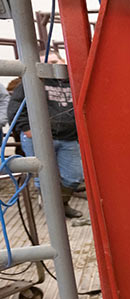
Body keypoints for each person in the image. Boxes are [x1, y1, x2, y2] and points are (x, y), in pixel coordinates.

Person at [7, 50, 84, 218]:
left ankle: (61, 203)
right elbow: (14, 108)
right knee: (44, 175)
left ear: (63, 60)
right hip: (39, 138)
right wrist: (27, 129)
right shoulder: (31, 82)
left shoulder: (73, 81)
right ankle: (52, 210)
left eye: (55, 61)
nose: (51, 67)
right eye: (46, 63)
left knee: (74, 175)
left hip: (69, 138)